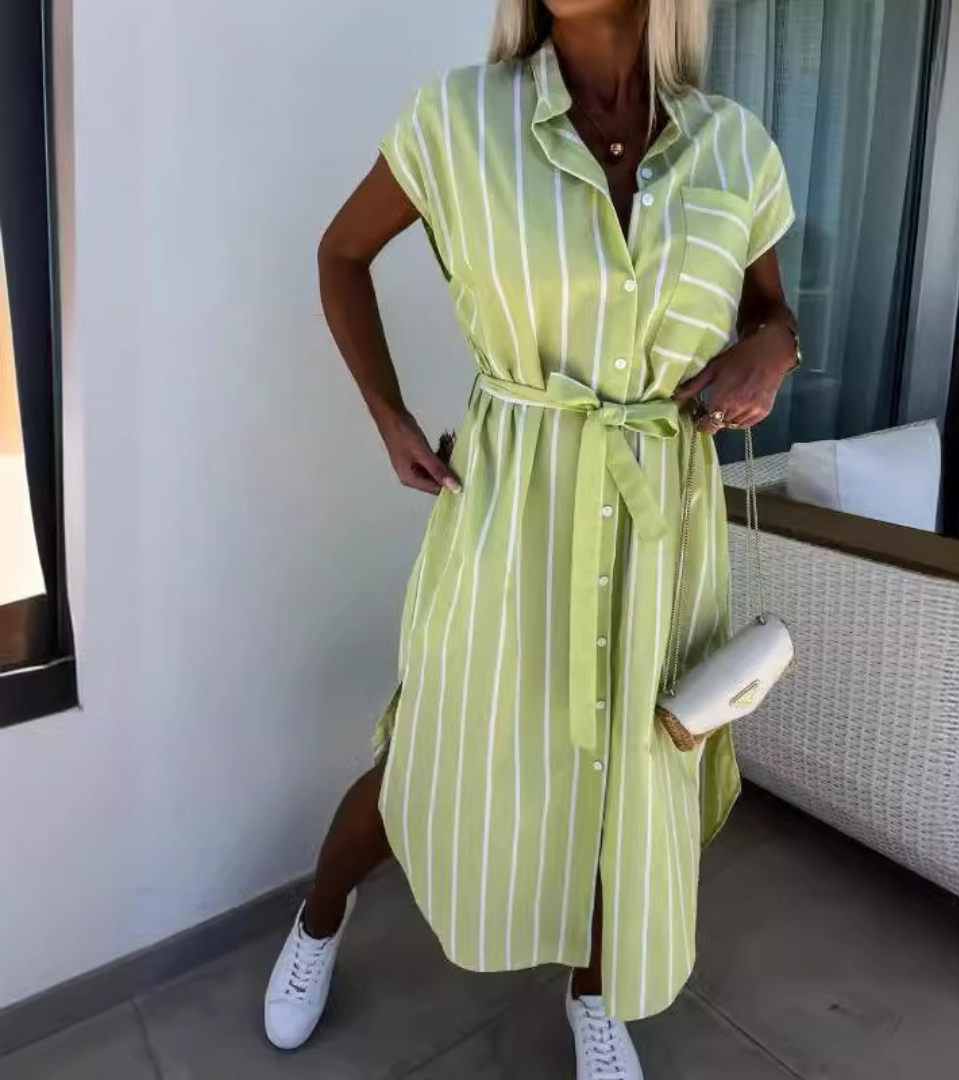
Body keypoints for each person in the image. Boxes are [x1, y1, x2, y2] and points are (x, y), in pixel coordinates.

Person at [264, 1, 799, 1075]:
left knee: (629, 781)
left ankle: (597, 994)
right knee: (436, 753)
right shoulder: (460, 119)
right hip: (512, 514)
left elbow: (771, 316)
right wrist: (389, 418)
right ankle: (319, 917)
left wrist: (773, 352)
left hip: (661, 526)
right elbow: (341, 253)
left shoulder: (735, 146)